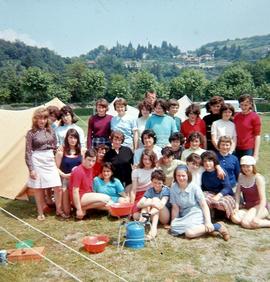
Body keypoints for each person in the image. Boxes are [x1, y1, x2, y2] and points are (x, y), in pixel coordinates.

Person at [170, 165, 230, 240]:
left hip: (195, 213)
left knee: (189, 233)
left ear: (188, 175)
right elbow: (175, 207)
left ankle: (217, 226)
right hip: (184, 215)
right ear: (175, 176)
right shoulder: (173, 188)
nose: (181, 178)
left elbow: (204, 205)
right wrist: (173, 222)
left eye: (183, 175)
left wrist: (208, 221)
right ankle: (207, 229)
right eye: (178, 175)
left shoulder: (194, 187)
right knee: (173, 228)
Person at [25, 107, 62, 221]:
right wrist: (31, 169)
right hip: (37, 159)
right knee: (38, 187)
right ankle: (40, 212)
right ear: (35, 119)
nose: (42, 121)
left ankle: (58, 209)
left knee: (57, 185)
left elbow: (55, 147)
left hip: (49, 159)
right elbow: (28, 152)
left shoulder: (51, 130)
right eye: (40, 118)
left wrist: (57, 157)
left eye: (44, 118)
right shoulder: (31, 133)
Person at [69, 149, 111, 219]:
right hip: (79, 197)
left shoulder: (90, 169)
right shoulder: (78, 171)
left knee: (110, 205)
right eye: (89, 160)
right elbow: (75, 191)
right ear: (84, 158)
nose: (91, 163)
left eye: (93, 161)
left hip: (87, 196)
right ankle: (80, 209)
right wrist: (78, 208)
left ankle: (85, 209)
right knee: (106, 199)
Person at [231, 156, 270, 228]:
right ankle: (250, 219)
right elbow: (237, 193)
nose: (245, 169)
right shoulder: (241, 176)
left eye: (248, 166)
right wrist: (236, 207)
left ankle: (265, 222)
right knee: (234, 218)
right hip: (248, 206)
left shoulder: (258, 178)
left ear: (253, 166)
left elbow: (263, 200)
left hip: (261, 207)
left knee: (245, 223)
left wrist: (258, 217)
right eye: (243, 166)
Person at [55, 128, 83, 218]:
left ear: (78, 139)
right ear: (67, 138)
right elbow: (55, 168)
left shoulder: (81, 152)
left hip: (78, 181)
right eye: (71, 137)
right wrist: (64, 175)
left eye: (75, 138)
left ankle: (77, 205)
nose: (73, 140)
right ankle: (65, 206)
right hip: (65, 179)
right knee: (67, 212)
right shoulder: (61, 152)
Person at [137, 170, 170, 240]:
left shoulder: (165, 190)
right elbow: (139, 204)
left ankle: (152, 228)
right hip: (153, 214)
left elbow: (161, 205)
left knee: (155, 199)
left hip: (164, 217)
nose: (157, 185)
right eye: (155, 182)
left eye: (159, 183)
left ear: (163, 183)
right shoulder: (150, 190)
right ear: (151, 181)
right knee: (148, 201)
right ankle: (141, 225)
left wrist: (149, 212)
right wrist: (150, 203)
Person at [201, 151, 235, 219]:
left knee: (220, 204)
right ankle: (211, 212)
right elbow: (204, 188)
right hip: (211, 193)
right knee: (203, 200)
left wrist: (218, 196)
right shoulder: (204, 174)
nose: (207, 163)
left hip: (224, 194)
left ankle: (221, 214)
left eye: (210, 161)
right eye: (205, 161)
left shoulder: (221, 172)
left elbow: (227, 188)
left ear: (214, 162)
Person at [131, 150, 157, 219]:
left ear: (153, 159)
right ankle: (147, 217)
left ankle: (144, 219)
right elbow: (133, 190)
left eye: (149, 159)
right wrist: (131, 204)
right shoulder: (136, 171)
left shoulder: (156, 170)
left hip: (152, 195)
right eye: (145, 159)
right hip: (140, 195)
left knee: (147, 205)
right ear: (142, 159)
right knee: (135, 216)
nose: (147, 161)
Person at [234, 94, 261, 161]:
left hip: (248, 148)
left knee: (247, 169)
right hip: (236, 147)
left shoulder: (255, 117)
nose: (243, 107)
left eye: (246, 105)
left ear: (250, 105)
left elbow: (257, 136)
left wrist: (256, 154)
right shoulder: (236, 116)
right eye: (242, 104)